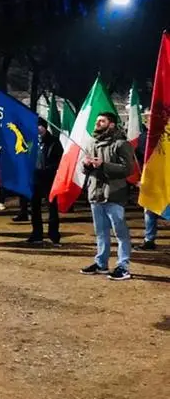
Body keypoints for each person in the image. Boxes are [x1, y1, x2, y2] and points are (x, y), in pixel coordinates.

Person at [79, 111, 136, 280]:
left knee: (120, 233)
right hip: (95, 194)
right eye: (97, 121)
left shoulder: (121, 144)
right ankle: (101, 263)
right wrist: (86, 164)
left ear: (111, 124)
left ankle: (123, 266)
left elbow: (128, 169)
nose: (97, 123)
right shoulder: (91, 143)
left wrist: (104, 165)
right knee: (101, 233)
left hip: (114, 194)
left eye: (101, 121)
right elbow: (83, 169)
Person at [28, 118, 63, 245]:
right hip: (34, 178)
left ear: (45, 127)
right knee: (34, 207)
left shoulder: (54, 141)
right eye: (35, 126)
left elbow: (59, 160)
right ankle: (36, 233)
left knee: (52, 207)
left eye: (40, 126)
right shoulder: (30, 140)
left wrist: (48, 169)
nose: (37, 129)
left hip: (49, 178)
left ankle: (54, 234)